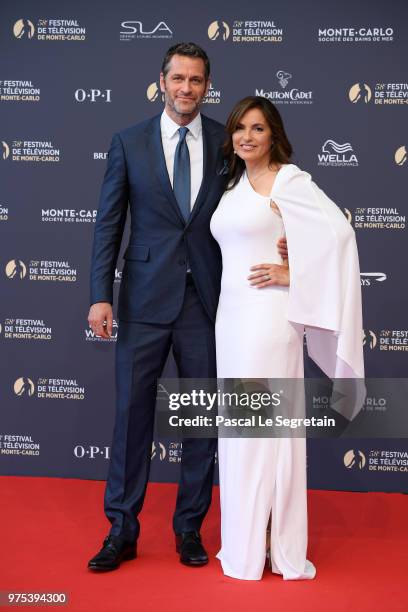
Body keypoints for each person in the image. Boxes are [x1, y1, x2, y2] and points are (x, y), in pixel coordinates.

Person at [87, 43, 288, 572]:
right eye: (178, 78)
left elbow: (267, 199)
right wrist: (99, 294)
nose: (186, 89)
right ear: (161, 81)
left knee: (200, 419)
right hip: (143, 301)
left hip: (208, 302)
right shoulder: (128, 142)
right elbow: (109, 222)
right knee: (132, 419)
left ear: (207, 86)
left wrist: (290, 245)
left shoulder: (231, 139)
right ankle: (121, 530)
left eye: (196, 80)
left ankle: (189, 530)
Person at [210, 96, 364, 580]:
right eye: (239, 128)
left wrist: (291, 270)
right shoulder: (234, 181)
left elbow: (339, 236)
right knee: (242, 433)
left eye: (257, 129)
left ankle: (276, 547)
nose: (247, 137)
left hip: (268, 321)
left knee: (265, 433)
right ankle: (248, 545)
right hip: (231, 321)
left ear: (273, 134)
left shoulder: (289, 179)